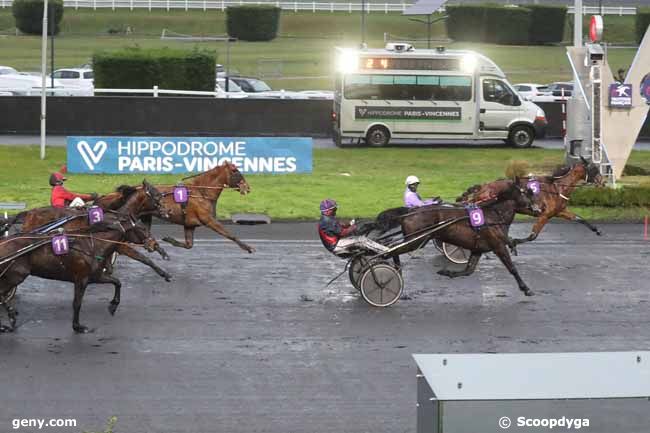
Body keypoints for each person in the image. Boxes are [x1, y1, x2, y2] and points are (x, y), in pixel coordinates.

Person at [318, 199, 388, 255]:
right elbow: (343, 233)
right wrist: (353, 227)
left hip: (336, 243)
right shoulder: (327, 221)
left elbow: (340, 225)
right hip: (336, 246)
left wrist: (351, 223)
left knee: (358, 239)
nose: (335, 211)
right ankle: (385, 251)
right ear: (327, 211)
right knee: (361, 240)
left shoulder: (327, 218)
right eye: (334, 209)